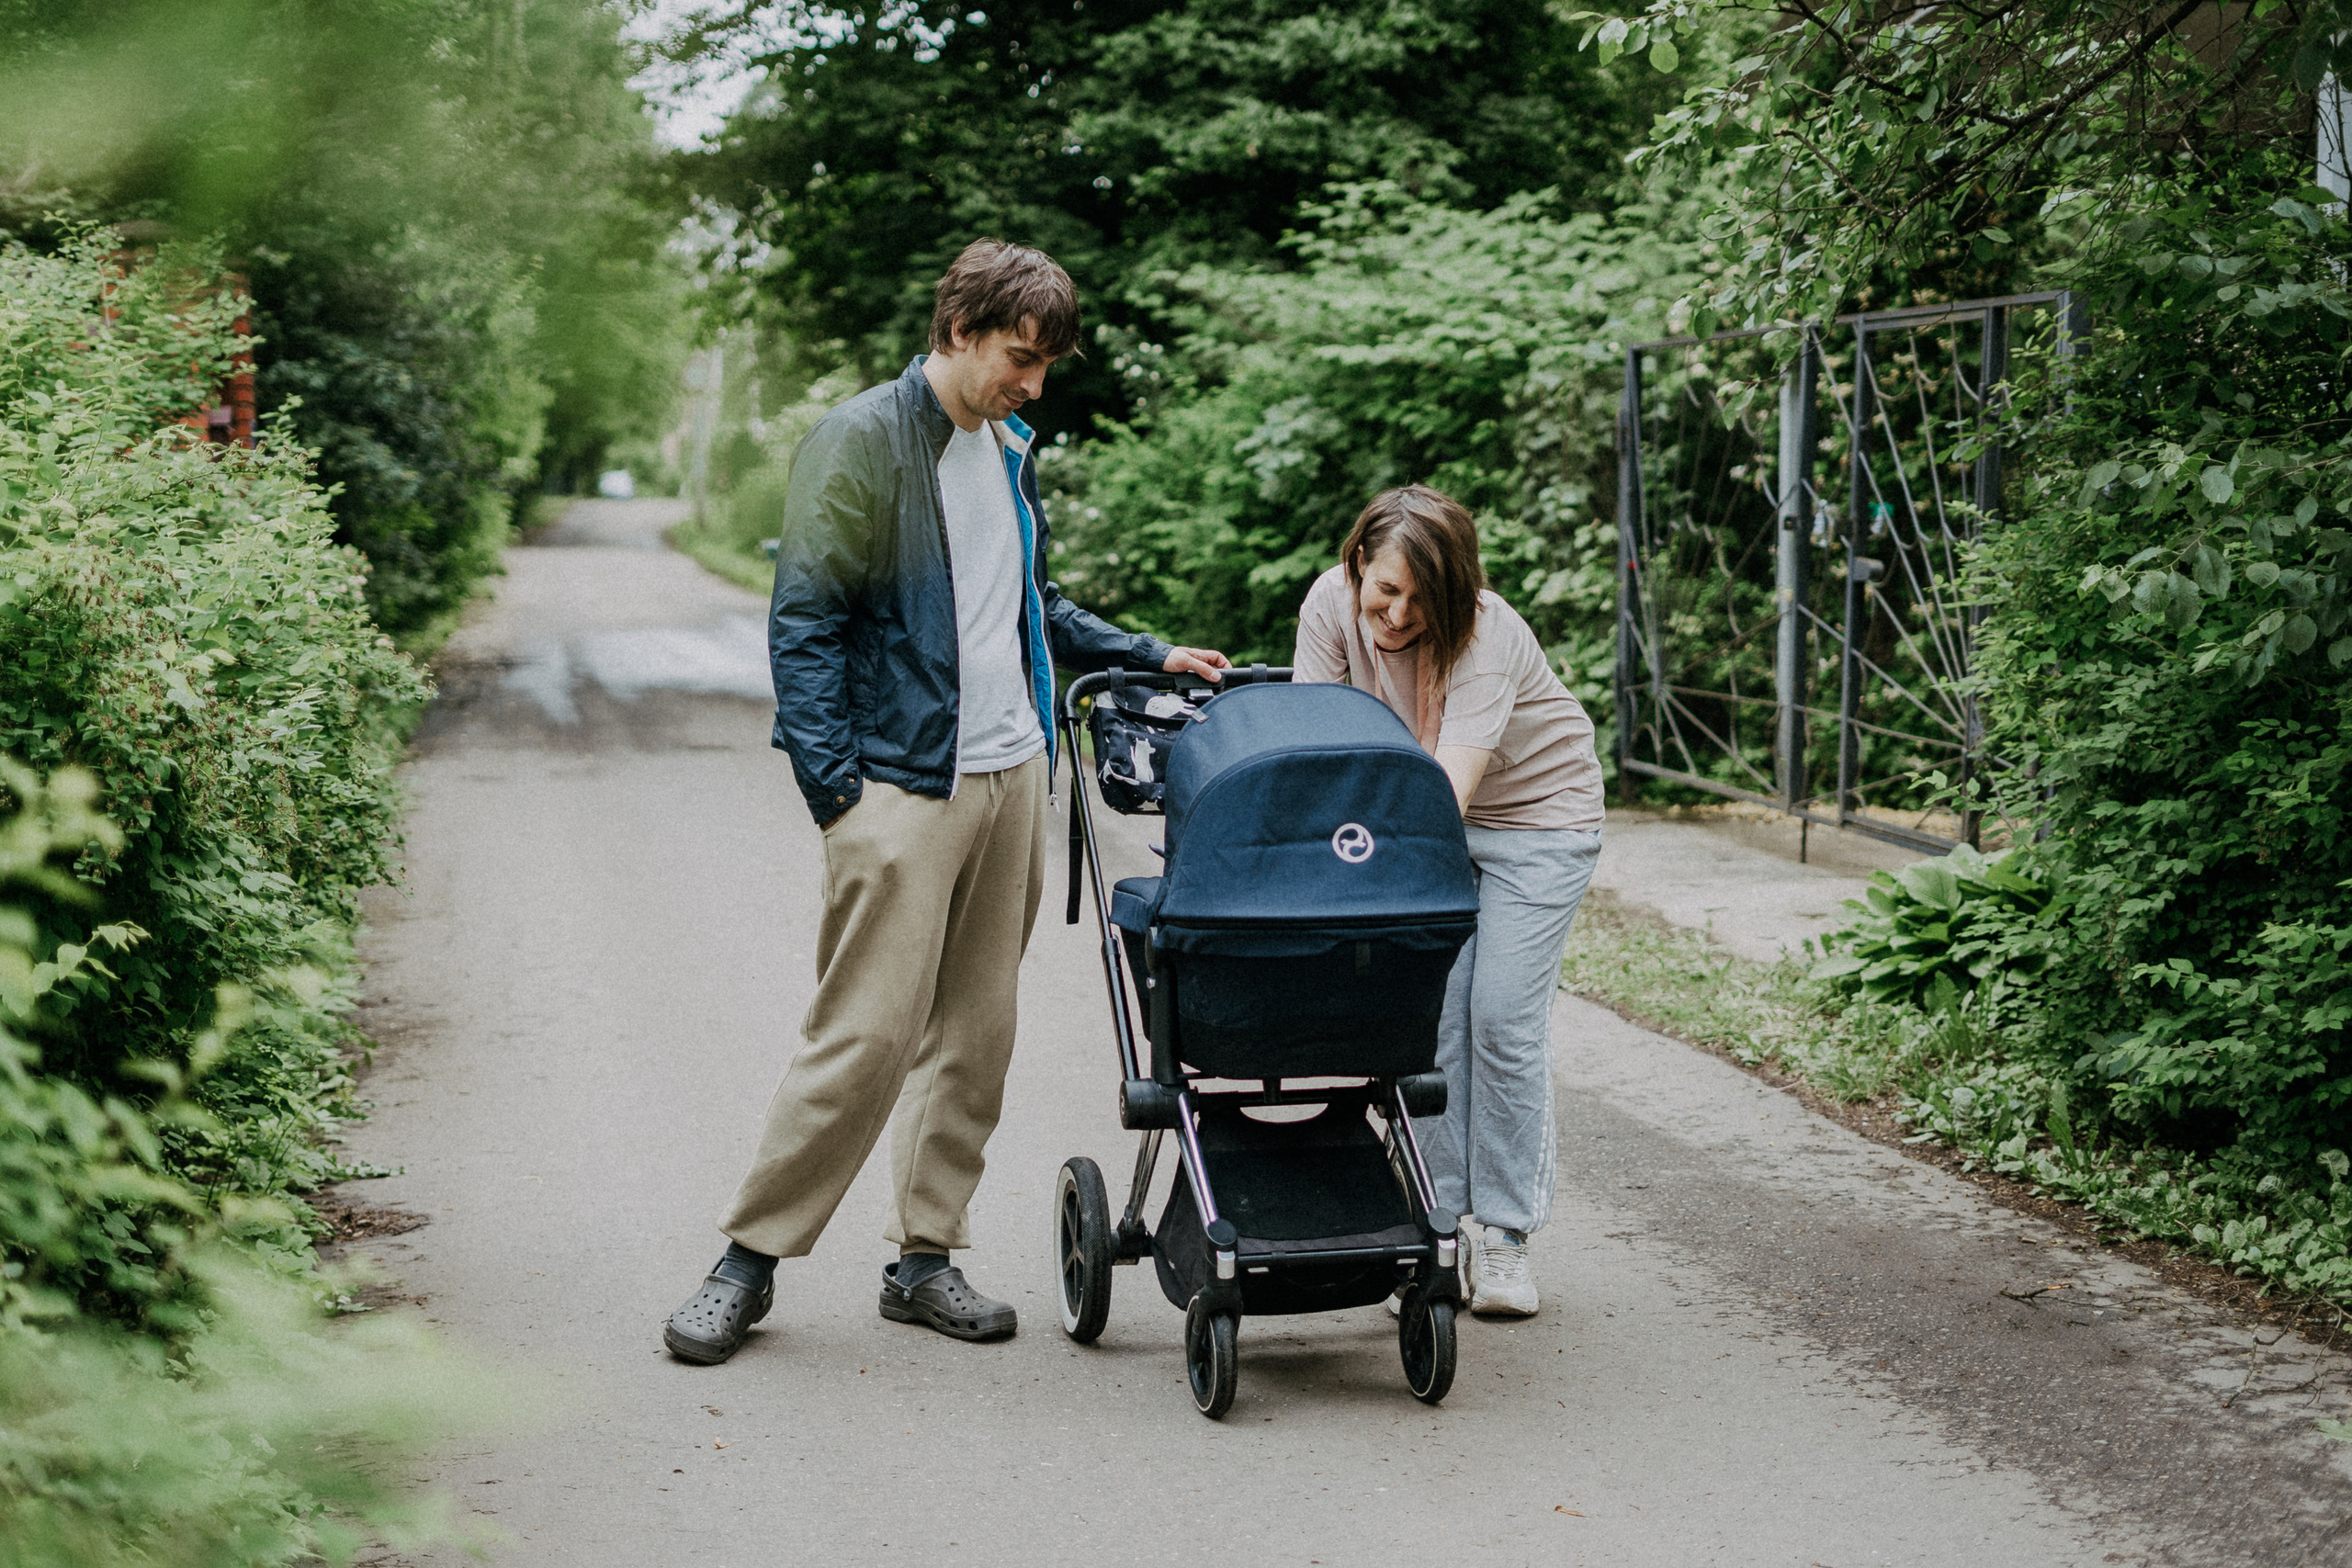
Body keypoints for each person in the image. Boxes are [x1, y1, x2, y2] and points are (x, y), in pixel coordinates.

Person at [665, 240, 1230, 1364]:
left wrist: (1145, 652)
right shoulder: (862, 439)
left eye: (1047, 364)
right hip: (902, 783)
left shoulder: (1003, 448)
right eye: (1020, 358)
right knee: (865, 1034)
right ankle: (747, 1259)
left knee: (975, 1037)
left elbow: (1027, 600)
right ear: (960, 330)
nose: (1035, 385)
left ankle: (924, 1259)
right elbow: (806, 622)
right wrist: (839, 794)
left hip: (1013, 775)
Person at [1292, 484, 1602, 1317]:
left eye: (1422, 599)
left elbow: (1445, 795)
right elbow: (1315, 742)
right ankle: (1436, 1227)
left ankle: (1503, 1232)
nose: (1398, 617)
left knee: (1500, 1016)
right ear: (1359, 562)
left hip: (1537, 822)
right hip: (1429, 821)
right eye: (1386, 590)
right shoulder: (1329, 604)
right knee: (1431, 1024)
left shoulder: (1485, 633)